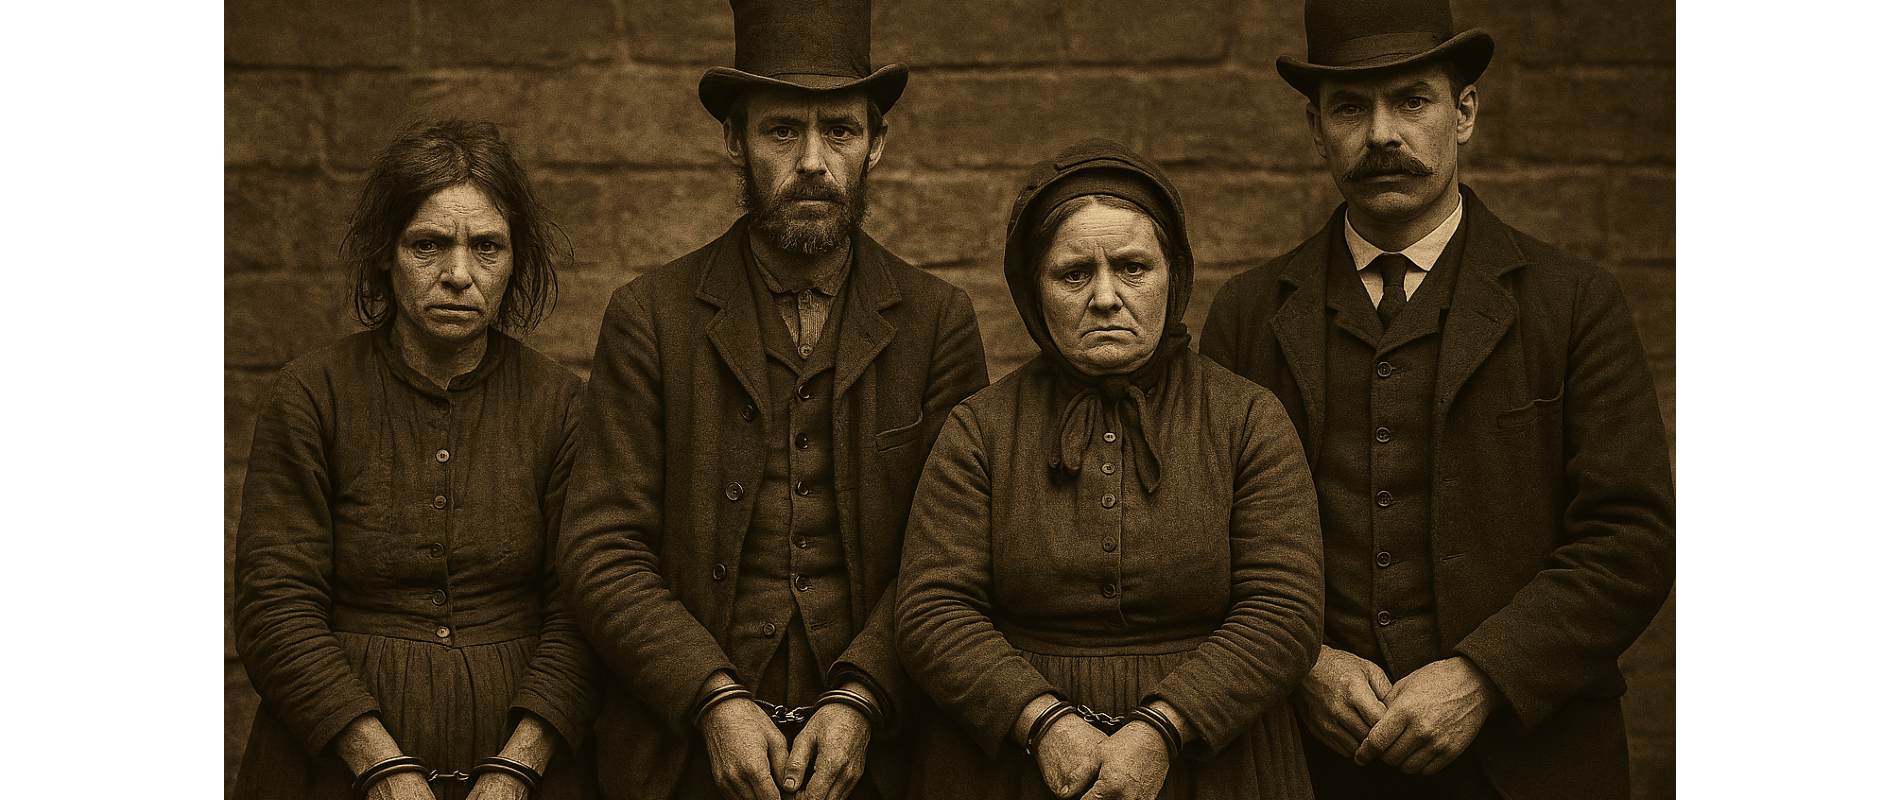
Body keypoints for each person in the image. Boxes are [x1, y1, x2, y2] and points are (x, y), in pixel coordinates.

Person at [1198, 1, 1676, 797]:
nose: (1382, 134)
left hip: (1530, 760)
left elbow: (1631, 537)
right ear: (1315, 129)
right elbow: (1201, 535)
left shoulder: (1573, 303)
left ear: (1464, 113)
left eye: (1412, 100)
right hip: (1310, 764)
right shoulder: (1248, 315)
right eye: (1350, 107)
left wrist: (1484, 677)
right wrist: (1301, 661)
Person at [555, 2, 990, 798]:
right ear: (734, 141)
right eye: (783, 131)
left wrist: (862, 697)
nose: (815, 161)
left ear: (879, 143)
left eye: (842, 132)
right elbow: (600, 550)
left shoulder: (937, 322)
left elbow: (954, 555)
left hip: (887, 754)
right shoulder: (649, 317)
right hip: (684, 750)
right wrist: (711, 697)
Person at [894, 138, 1325, 800]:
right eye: (1073, 274)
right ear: (1034, 292)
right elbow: (932, 608)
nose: (1105, 297)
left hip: (1216, 761)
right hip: (1016, 763)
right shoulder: (980, 429)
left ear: (1173, 277)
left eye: (1132, 268)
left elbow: (1284, 608)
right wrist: (1045, 725)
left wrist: (1161, 729)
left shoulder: (1246, 419)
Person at [232, 120, 600, 800]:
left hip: (531, 771)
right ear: (384, 254)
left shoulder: (562, 408)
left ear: (517, 260)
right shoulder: (313, 397)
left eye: (486, 247)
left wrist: (520, 766)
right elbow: (275, 607)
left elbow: (585, 607)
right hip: (331, 768)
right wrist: (378, 766)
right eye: (427, 245)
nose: (458, 275)